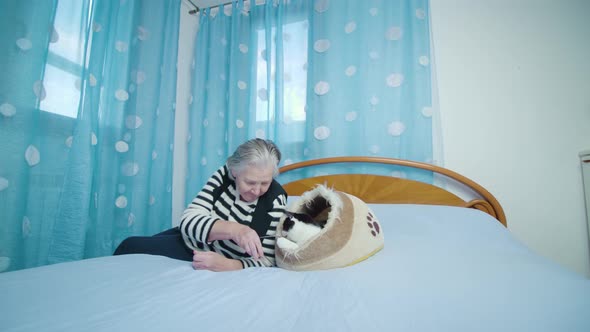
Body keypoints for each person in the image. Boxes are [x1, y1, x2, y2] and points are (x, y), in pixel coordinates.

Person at [114, 138, 288, 272]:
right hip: (191, 239)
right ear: (234, 172)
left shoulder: (275, 200)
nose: (257, 191)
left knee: (132, 249)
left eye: (265, 183)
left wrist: (230, 265)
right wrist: (236, 230)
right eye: (250, 182)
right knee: (129, 245)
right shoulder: (223, 176)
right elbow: (188, 220)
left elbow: (267, 260)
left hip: (211, 254)